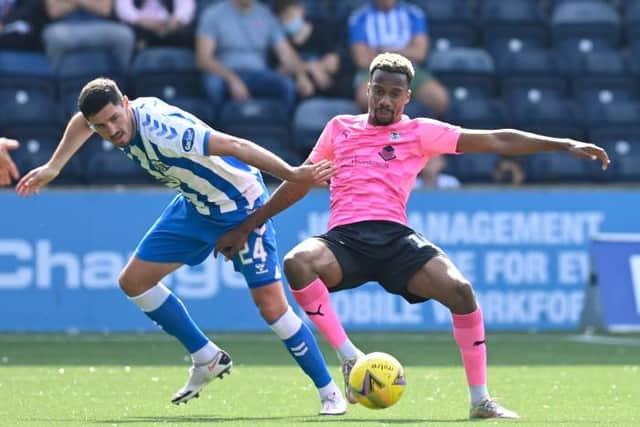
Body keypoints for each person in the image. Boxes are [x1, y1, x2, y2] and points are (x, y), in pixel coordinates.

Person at [213, 52, 611, 419]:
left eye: (394, 94)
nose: (385, 100)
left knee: (461, 291)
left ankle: (480, 400)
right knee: (297, 263)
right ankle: (350, 357)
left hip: (396, 239)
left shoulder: (420, 132)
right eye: (379, 91)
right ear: (367, 91)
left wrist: (564, 144)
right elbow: (301, 182)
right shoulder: (340, 129)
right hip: (345, 241)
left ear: (407, 98)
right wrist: (249, 224)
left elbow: (496, 139)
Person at [15, 77, 347, 415]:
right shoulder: (104, 122)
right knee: (133, 281)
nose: (112, 130)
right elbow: (80, 122)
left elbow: (236, 146)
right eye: (101, 126)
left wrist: (292, 173)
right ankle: (205, 357)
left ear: (126, 103)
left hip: (240, 206)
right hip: (195, 206)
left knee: (272, 308)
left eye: (115, 118)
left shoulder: (165, 131)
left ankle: (329, 392)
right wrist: (53, 166)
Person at [196, 0, 314, 113]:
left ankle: (280, 130)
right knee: (213, 86)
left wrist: (300, 75)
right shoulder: (213, 14)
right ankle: (216, 130)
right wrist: (232, 78)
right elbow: (204, 59)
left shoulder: (266, 15)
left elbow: (286, 53)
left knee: (287, 86)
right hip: (224, 72)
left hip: (259, 74)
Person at [348, 0, 449, 116]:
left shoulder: (413, 13)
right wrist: (405, 51)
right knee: (365, 98)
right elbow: (362, 60)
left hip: (409, 69)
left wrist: (382, 51)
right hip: (373, 70)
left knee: (439, 99)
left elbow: (420, 53)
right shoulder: (359, 17)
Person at [271, 0, 346, 97]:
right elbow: (279, 71)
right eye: (282, 19)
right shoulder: (280, 42)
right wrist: (308, 68)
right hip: (299, 95)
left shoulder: (323, 31)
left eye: (289, 16)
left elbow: (332, 63)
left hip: (330, 90)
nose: (287, 21)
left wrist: (314, 68)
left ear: (301, 10)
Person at [42, 0, 135, 70]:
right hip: (66, 28)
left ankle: (124, 80)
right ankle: (55, 85)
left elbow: (104, 9)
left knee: (124, 36)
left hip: (99, 27)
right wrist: (91, 3)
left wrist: (71, 3)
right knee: (54, 37)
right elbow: (54, 11)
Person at [114, 0, 196, 50]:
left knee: (188, 33)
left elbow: (186, 7)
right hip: (140, 25)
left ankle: (147, 43)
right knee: (128, 33)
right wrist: (143, 21)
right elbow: (124, 10)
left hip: (168, 24)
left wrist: (176, 21)